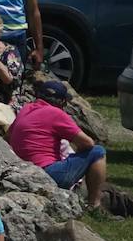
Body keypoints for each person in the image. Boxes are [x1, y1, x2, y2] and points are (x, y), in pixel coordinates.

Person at [7, 80, 108, 209]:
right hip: (48, 173)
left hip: (24, 171)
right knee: (97, 151)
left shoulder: (26, 109)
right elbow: (88, 143)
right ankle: (94, 205)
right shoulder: (56, 113)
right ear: (62, 102)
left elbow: (8, 136)